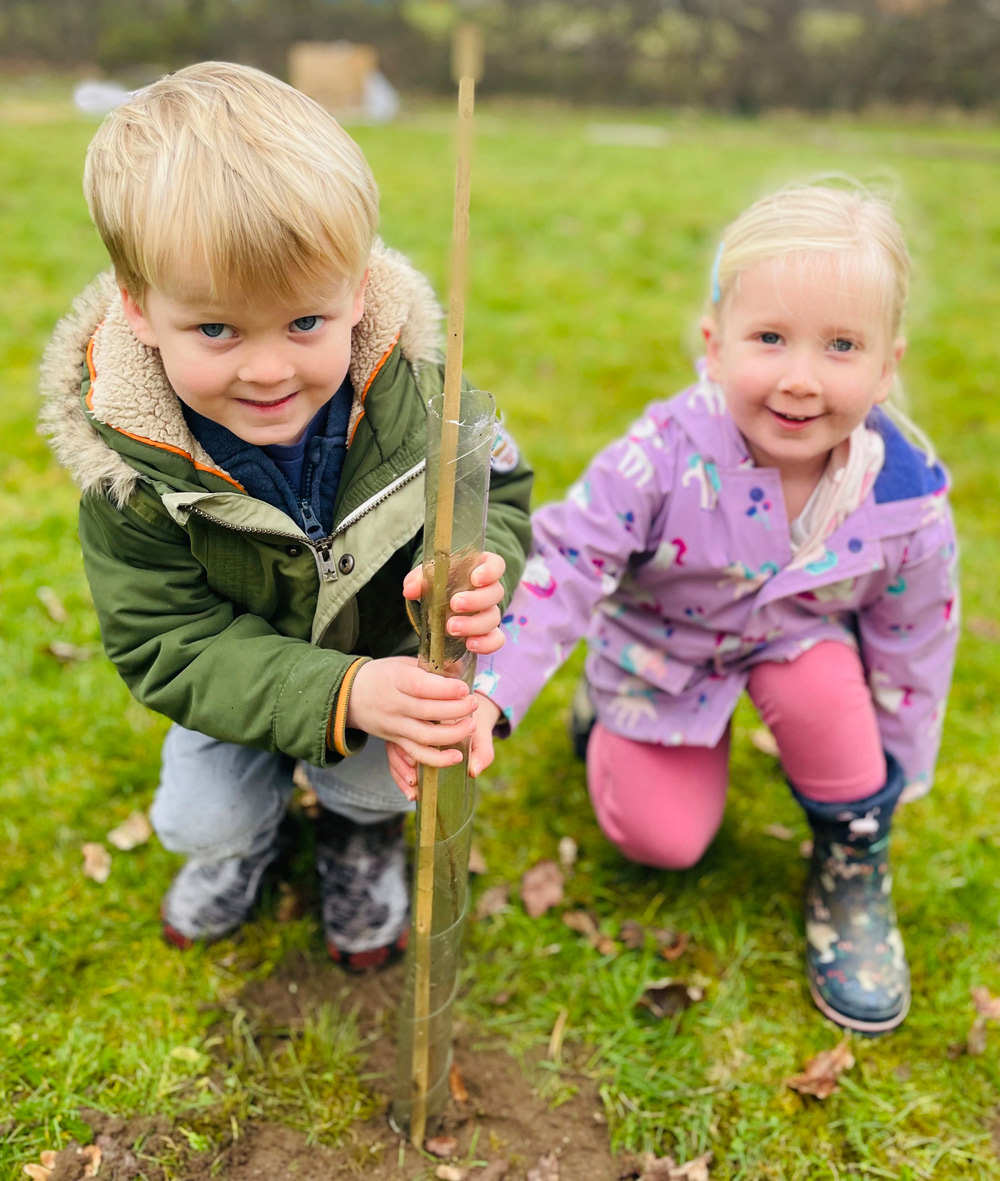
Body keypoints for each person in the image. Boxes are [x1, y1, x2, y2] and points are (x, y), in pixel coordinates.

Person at [39, 62, 532, 971]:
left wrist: (475, 559)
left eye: (305, 321)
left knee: (386, 788)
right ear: (140, 309)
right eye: (218, 331)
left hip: (384, 664)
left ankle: (357, 838)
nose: (268, 371)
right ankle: (244, 846)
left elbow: (498, 489)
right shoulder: (134, 473)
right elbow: (168, 643)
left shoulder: (422, 400)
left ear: (354, 288)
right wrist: (338, 696)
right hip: (236, 696)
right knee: (205, 816)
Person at [443, 182, 958, 1034]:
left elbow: (913, 644)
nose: (800, 378)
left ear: (887, 363)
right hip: (662, 653)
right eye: (770, 339)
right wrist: (490, 688)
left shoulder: (905, 501)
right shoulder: (663, 454)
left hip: (798, 648)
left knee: (828, 689)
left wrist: (886, 783)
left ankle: (853, 862)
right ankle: (603, 713)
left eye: (840, 346)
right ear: (715, 345)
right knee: (665, 840)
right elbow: (568, 563)